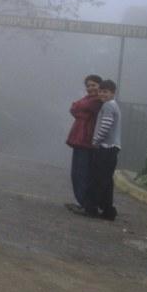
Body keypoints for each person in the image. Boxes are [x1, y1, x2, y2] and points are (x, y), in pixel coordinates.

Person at [85, 79, 122, 220]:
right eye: (101, 91)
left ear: (113, 93)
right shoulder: (113, 105)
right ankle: (108, 210)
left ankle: (92, 208)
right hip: (112, 148)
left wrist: (96, 140)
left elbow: (105, 126)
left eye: (106, 92)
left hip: (106, 147)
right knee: (106, 180)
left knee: (99, 179)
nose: (102, 94)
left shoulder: (108, 106)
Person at [65, 74, 103, 210]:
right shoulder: (88, 99)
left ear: (100, 86)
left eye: (93, 85)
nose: (90, 88)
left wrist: (80, 109)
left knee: (83, 172)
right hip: (79, 139)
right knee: (76, 172)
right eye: (88, 86)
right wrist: (81, 110)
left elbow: (78, 107)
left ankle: (85, 202)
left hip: (87, 140)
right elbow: (74, 108)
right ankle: (80, 200)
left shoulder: (98, 100)